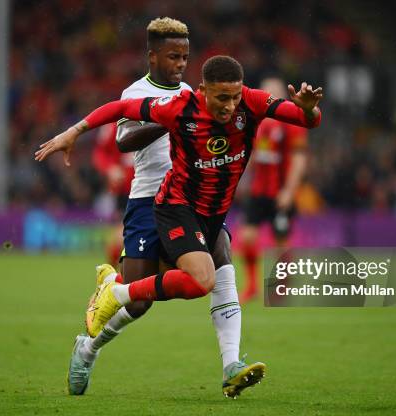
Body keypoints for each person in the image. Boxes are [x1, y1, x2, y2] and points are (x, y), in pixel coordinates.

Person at [35, 54, 322, 397]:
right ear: (202, 90)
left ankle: (231, 365)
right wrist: (75, 130)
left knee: (223, 269)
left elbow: (309, 120)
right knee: (197, 282)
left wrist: (307, 109)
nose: (230, 106)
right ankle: (112, 300)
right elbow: (118, 109)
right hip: (176, 206)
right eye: (221, 98)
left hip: (214, 212)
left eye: (234, 97)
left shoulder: (253, 101)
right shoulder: (178, 107)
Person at [51, 18, 252, 399]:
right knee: (139, 300)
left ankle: (231, 366)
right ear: (153, 56)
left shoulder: (196, 93)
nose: (180, 63)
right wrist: (171, 120)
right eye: (173, 56)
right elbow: (124, 139)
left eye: (185, 57)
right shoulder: (138, 91)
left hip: (192, 198)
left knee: (222, 258)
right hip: (147, 199)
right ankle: (88, 347)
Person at [239, 77, 309, 303]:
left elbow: (299, 160)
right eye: (265, 93)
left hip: (280, 193)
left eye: (273, 93)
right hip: (258, 192)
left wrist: (289, 191)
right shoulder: (255, 122)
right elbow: (249, 156)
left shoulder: (292, 123)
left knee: (281, 244)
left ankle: (282, 286)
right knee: (247, 238)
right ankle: (252, 286)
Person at [91, 122, 134, 265]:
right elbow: (99, 153)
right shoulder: (113, 126)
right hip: (126, 191)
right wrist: (110, 169)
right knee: (123, 235)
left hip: (157, 187)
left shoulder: (157, 116)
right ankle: (111, 276)